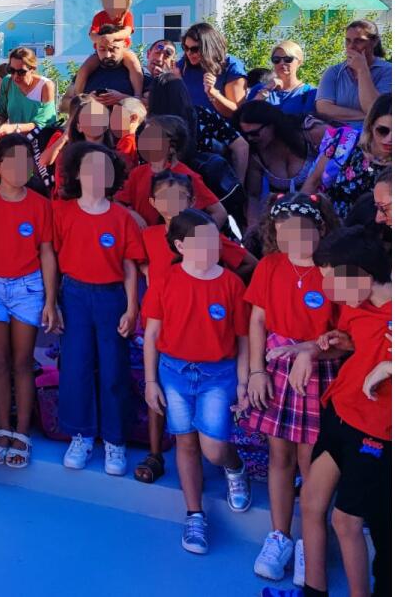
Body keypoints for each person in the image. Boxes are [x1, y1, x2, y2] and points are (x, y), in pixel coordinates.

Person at [270, 228, 391, 597]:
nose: (329, 292)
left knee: (346, 520)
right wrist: (315, 348)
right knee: (310, 502)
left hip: (378, 431)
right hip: (340, 415)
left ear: (362, 273)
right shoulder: (356, 306)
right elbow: (353, 343)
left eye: (335, 282)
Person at [141, 209, 253, 555]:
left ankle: (235, 466)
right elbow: (152, 334)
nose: (210, 247)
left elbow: (244, 338)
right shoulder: (165, 280)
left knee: (213, 448)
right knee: (185, 442)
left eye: (214, 240)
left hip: (218, 375)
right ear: (180, 245)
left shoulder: (231, 284)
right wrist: (150, 381)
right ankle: (194, 515)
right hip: (174, 373)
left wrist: (244, 382)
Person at [243, 193, 341, 581]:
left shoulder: (334, 271)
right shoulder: (269, 266)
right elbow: (257, 320)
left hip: (320, 370)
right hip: (277, 368)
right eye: (284, 231)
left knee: (310, 462)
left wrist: (312, 351)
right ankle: (279, 536)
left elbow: (345, 335)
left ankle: (310, 544)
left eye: (301, 230)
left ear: (320, 228)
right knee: (279, 456)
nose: (293, 239)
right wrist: (256, 371)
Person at [0, 134, 57, 469]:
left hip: (28, 290)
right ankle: (3, 429)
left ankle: (22, 432)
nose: (21, 167)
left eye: (26, 161)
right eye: (13, 160)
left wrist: (50, 300)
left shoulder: (40, 204)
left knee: (22, 362)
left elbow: (47, 253)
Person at [52, 142, 144, 476]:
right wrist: (52, 302)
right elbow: (53, 259)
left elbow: (130, 265)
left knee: (113, 368)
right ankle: (81, 434)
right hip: (74, 295)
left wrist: (132, 308)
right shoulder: (62, 212)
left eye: (104, 168)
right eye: (89, 167)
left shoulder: (122, 217)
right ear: (76, 173)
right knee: (75, 366)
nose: (96, 174)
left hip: (111, 297)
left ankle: (115, 440)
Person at [115, 115, 228, 229]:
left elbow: (219, 213)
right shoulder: (138, 173)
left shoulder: (187, 176)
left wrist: (199, 236)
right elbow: (118, 202)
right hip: (143, 237)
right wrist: (132, 214)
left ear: (171, 145)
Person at [235, 101, 325, 228]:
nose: (250, 138)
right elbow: (253, 196)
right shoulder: (256, 156)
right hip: (287, 222)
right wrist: (253, 226)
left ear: (272, 125)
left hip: (325, 214)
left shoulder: (310, 132)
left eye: (254, 133)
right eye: (245, 134)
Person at [302, 92, 391, 219]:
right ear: (371, 126)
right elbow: (313, 182)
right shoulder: (345, 141)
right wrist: (300, 214)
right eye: (383, 130)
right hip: (332, 225)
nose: (389, 139)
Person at [73, 0, 146, 98]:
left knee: (134, 64)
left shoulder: (127, 16)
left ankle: (137, 93)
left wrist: (113, 37)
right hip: (101, 51)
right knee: (84, 69)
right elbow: (92, 34)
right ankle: (78, 96)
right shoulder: (99, 16)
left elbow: (127, 31)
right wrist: (100, 39)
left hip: (122, 51)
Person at [315, 19, 391, 126]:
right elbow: (324, 109)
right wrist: (367, 116)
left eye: (359, 41)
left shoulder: (388, 71)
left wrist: (362, 70)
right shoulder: (334, 72)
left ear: (374, 42)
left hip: (372, 133)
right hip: (338, 133)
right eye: (348, 41)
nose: (351, 46)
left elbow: (374, 108)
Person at [176, 22, 247, 119]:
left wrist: (212, 92)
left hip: (220, 127)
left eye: (195, 49)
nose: (189, 53)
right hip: (188, 125)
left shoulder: (231, 66)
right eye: (185, 48)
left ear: (209, 48)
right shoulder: (183, 65)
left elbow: (237, 112)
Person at [0, 47, 57, 134]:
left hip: (39, 139)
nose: (15, 76)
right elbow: (1, 115)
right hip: (15, 139)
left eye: (21, 72)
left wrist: (15, 128)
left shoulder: (45, 86)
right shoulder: (7, 82)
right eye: (11, 70)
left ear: (33, 69)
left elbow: (46, 121)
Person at [247, 41, 317, 115]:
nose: (282, 63)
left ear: (299, 62)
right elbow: (245, 115)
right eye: (276, 59)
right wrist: (266, 89)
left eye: (288, 59)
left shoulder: (310, 93)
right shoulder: (259, 89)